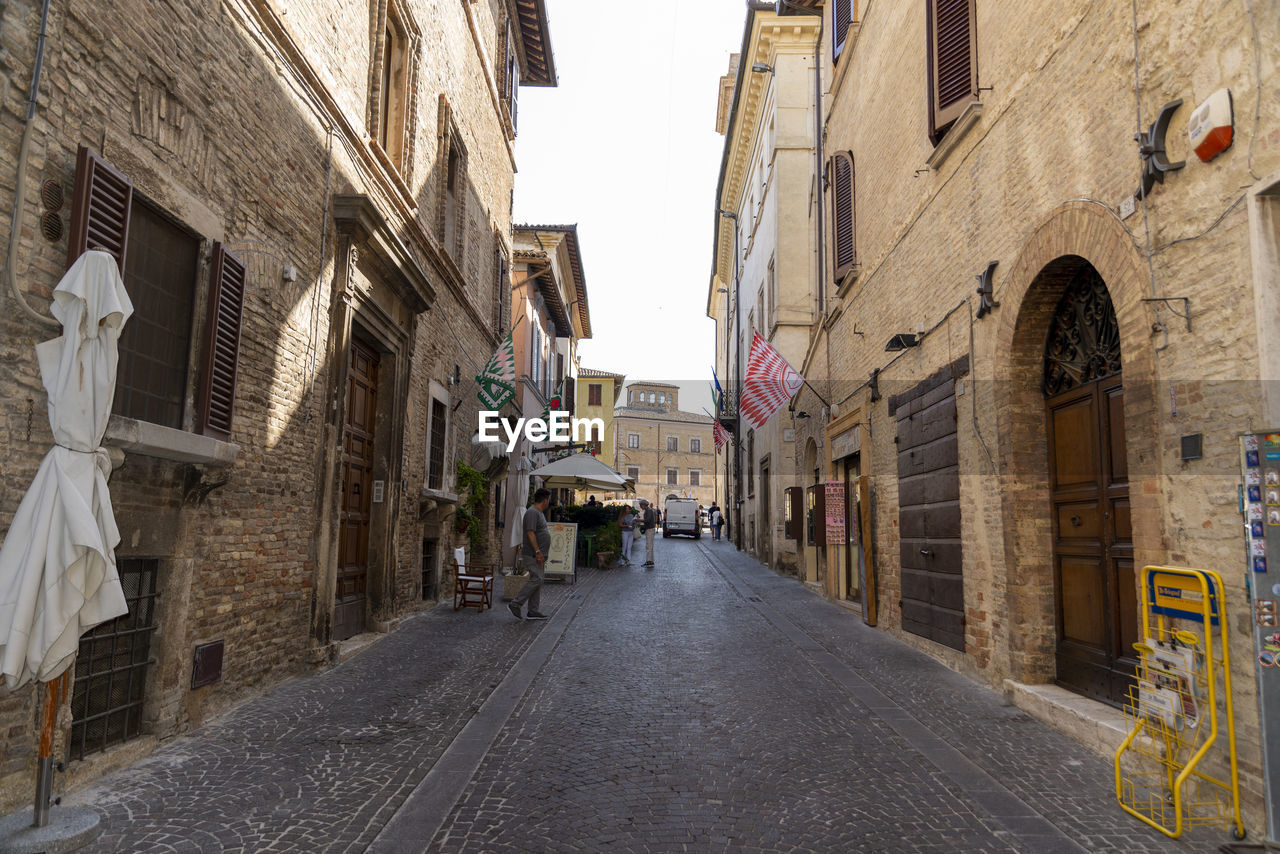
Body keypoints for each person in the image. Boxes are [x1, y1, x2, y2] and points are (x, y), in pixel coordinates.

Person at [509, 488, 552, 621]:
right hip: (533, 554)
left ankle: (533, 610)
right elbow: (530, 532)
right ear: (545, 500)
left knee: (538, 580)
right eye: (548, 500)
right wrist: (538, 551)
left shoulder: (538, 513)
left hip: (538, 555)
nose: (549, 502)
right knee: (537, 579)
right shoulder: (532, 512)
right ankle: (516, 603)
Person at [640, 498, 658, 568]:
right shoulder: (648, 510)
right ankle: (650, 560)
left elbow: (647, 520)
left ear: (644, 505)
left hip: (650, 529)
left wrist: (639, 520)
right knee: (649, 546)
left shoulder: (649, 511)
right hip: (650, 529)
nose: (641, 507)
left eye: (641, 505)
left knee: (649, 546)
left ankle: (649, 561)